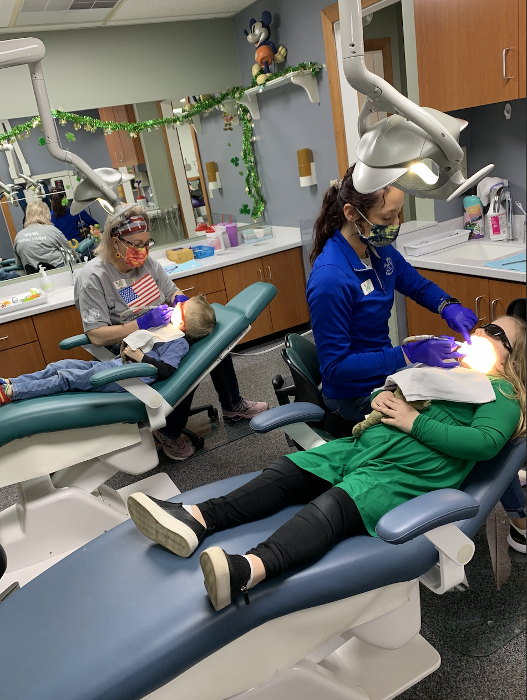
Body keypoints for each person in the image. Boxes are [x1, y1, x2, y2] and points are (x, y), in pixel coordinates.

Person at [126, 314, 525, 611]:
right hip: (362, 449)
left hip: (405, 475)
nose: (481, 333)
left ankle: (247, 570)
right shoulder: (451, 370)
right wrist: (382, 401)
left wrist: (414, 421)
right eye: (485, 325)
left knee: (333, 507)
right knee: (290, 470)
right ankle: (196, 517)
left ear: (513, 359)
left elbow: (486, 443)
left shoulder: (500, 392)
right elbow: (395, 392)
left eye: (497, 335)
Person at [72, 204, 267, 461]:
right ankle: (169, 432)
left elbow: (171, 291)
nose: (142, 251)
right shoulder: (93, 277)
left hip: (162, 330)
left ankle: (232, 405)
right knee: (187, 359)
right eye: (134, 244)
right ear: (114, 241)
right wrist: (141, 324)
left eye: (146, 243)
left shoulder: (147, 263)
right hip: (128, 345)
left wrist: (181, 301)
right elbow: (97, 335)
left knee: (216, 340)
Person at [307, 165, 477, 425]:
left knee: (455, 394)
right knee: (440, 423)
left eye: (399, 214)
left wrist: (447, 305)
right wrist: (408, 354)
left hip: (385, 376)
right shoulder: (330, 278)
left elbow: (418, 286)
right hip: (353, 395)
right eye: (387, 218)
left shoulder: (378, 251)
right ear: (352, 214)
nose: (396, 225)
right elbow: (336, 368)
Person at [0, 295, 215, 414]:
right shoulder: (171, 331)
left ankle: (14, 392)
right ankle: (10, 382)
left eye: (180, 308)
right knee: (58, 366)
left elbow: (167, 369)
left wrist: (140, 357)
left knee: (67, 378)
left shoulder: (178, 343)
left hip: (127, 377)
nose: (174, 308)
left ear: (184, 324)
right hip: (117, 365)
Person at [13, 200, 71, 274]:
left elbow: (19, 264)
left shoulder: (19, 236)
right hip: (59, 273)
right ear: (46, 213)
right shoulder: (51, 230)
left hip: (33, 278)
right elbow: (70, 252)